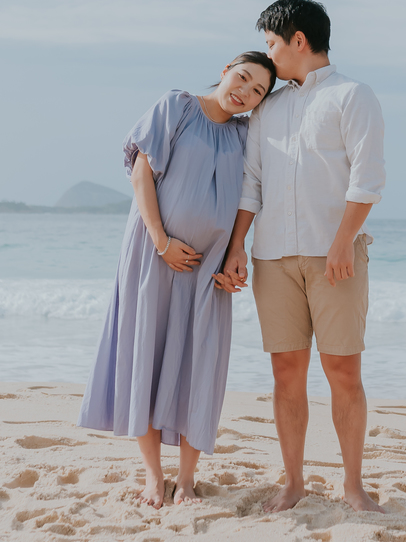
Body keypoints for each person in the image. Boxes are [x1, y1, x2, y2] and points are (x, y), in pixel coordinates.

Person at [77, 51, 277, 509]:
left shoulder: (246, 136)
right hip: (152, 255)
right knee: (144, 356)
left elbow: (250, 197)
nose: (244, 92)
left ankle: (186, 479)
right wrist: (161, 241)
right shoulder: (178, 107)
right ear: (226, 69)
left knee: (198, 364)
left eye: (257, 91)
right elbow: (142, 173)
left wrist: (234, 255)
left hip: (208, 268)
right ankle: (153, 478)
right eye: (242, 78)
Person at [214, 0, 386, 513]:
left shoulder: (353, 96)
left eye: (271, 43)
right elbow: (252, 183)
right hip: (273, 258)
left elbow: (368, 178)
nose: (269, 55)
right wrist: (238, 246)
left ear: (298, 41)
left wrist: (341, 244)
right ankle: (294, 482)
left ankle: (352, 484)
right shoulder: (271, 106)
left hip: (336, 257)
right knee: (286, 373)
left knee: (343, 372)